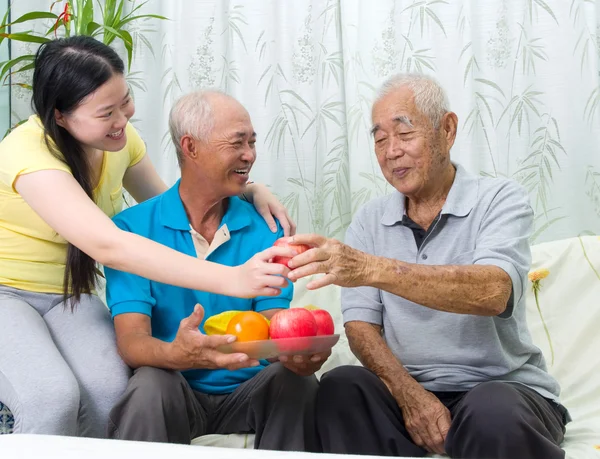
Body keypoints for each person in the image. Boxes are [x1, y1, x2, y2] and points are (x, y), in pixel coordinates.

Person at [0, 36, 296, 438]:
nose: (123, 119)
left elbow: (171, 207)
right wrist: (232, 279)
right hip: (7, 294)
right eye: (107, 112)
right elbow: (110, 245)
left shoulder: (119, 143)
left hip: (70, 296)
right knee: (52, 396)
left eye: (125, 100)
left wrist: (246, 189)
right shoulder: (27, 154)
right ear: (62, 117)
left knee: (111, 388)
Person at [285, 73, 570, 458]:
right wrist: (409, 396)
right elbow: (360, 327)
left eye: (404, 134)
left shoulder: (500, 199)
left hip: (500, 387)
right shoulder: (369, 219)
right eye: (379, 138)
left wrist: (371, 268)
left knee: (492, 412)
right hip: (406, 388)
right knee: (340, 387)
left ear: (447, 130)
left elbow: (492, 292)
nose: (390, 151)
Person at [103, 89, 328, 451]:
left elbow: (274, 321)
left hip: (249, 389)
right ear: (191, 148)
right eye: (238, 143)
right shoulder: (131, 230)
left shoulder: (268, 227)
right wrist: (177, 354)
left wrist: (295, 353)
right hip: (176, 387)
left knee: (296, 382)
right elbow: (132, 342)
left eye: (252, 142)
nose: (250, 155)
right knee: (149, 385)